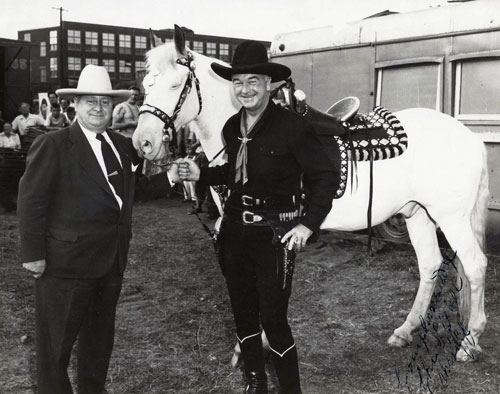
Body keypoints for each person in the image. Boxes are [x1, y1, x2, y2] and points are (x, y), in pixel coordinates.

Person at [179, 41, 339, 394]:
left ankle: (290, 390)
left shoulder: (294, 127)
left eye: (253, 81)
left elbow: (325, 178)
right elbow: (235, 175)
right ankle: (256, 383)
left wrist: (308, 223)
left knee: (274, 319)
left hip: (274, 235)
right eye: (238, 82)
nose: (245, 89)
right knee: (242, 311)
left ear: (270, 84)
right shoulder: (231, 128)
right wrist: (199, 174)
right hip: (235, 232)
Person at [17, 64, 178, 394]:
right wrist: (33, 255)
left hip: (109, 264)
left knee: (98, 346)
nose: (97, 108)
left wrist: (173, 177)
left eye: (104, 102)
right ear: (75, 105)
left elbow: (133, 193)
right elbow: (31, 201)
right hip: (65, 267)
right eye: (89, 101)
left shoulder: (120, 146)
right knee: (55, 353)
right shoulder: (54, 144)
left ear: (112, 106)